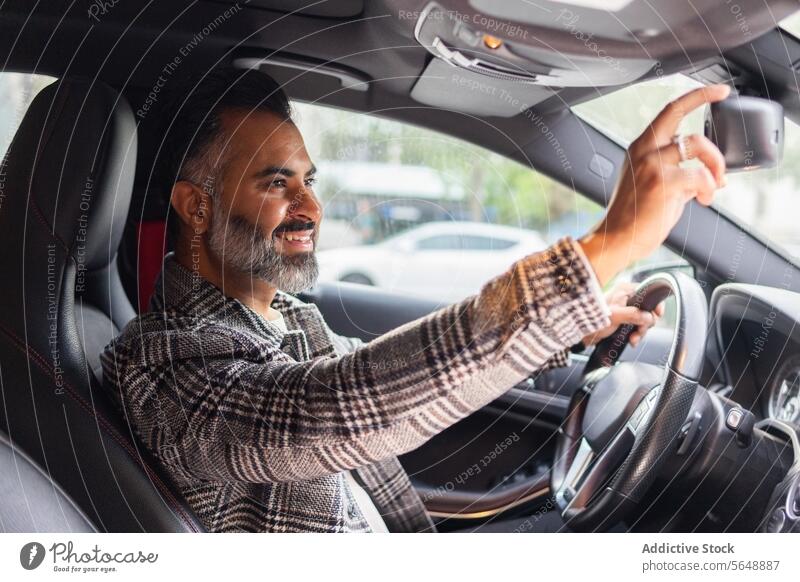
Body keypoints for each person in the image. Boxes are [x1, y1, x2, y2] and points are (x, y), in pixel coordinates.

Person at [100, 67, 729, 532]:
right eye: (276, 184)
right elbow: (352, 403)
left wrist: (570, 329)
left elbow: (400, 366)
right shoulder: (167, 369)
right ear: (196, 205)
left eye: (309, 182)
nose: (312, 209)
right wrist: (606, 243)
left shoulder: (283, 320)